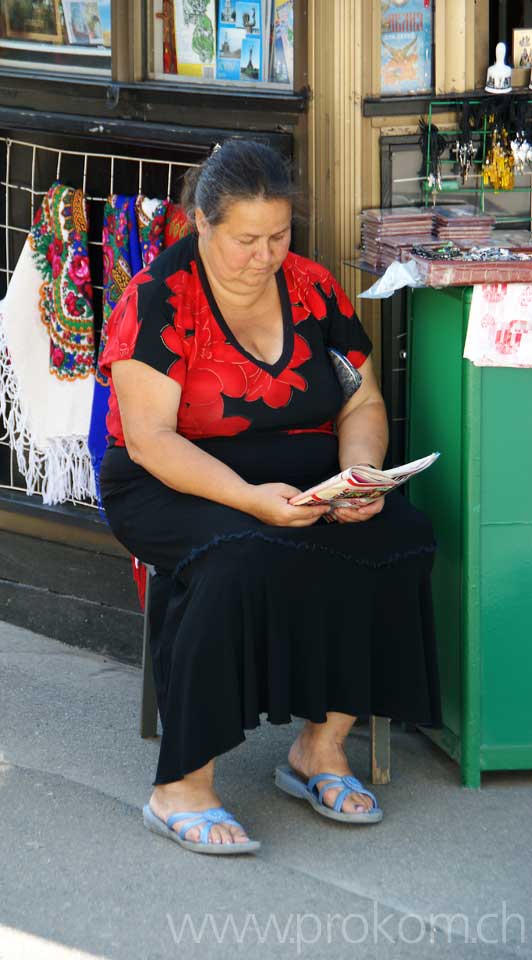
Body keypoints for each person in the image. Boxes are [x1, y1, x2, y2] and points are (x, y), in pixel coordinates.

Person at [99, 139, 441, 856]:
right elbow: (152, 440)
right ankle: (181, 789)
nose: (265, 256)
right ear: (202, 224)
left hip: (299, 468)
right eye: (246, 240)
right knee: (235, 562)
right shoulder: (159, 299)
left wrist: (360, 476)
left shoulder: (314, 288)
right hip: (174, 478)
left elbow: (362, 402)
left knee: (396, 536)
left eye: (279, 236)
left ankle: (321, 748)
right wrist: (252, 500)